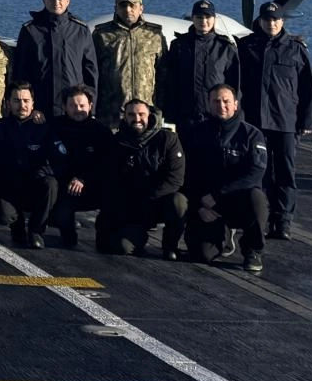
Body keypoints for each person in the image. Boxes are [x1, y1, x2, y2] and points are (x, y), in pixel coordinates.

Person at [238, 1, 312, 241]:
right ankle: (260, 217)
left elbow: (307, 88)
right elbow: (236, 84)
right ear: (260, 21)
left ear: (282, 21)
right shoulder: (246, 47)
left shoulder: (296, 49)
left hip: (285, 121)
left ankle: (283, 221)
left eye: (275, 20)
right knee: (257, 171)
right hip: (254, 123)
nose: (271, 24)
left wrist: (307, 121)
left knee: (285, 173)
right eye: (267, 20)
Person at [182, 84, 269, 274]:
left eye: (226, 101)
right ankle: (222, 235)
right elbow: (188, 174)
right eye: (216, 101)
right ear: (209, 104)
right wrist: (198, 206)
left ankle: (252, 250)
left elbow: (255, 173)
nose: (221, 105)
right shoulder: (196, 133)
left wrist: (218, 194)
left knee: (257, 198)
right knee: (202, 255)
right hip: (207, 203)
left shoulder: (252, 135)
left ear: (235, 104)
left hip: (236, 199)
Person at [95, 99, 186, 258]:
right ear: (124, 116)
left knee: (178, 201)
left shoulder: (168, 139)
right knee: (118, 247)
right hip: (131, 206)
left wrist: (148, 198)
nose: (137, 119)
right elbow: (109, 180)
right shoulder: (116, 142)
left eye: (141, 114)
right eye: (131, 115)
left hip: (158, 200)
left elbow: (175, 179)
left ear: (149, 115)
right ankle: (137, 238)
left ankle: (170, 246)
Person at [13, 0, 98, 117]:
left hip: (73, 109)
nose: (56, 2)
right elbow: (20, 73)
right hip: (40, 111)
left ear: (68, 1)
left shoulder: (80, 30)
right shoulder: (30, 30)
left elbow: (91, 72)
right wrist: (29, 109)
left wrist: (90, 110)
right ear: (44, 0)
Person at [0, 84, 60, 249]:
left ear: (33, 103)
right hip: (9, 187)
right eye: (16, 100)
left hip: (33, 184)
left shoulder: (44, 128)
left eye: (26, 100)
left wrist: (40, 173)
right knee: (3, 215)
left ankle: (36, 231)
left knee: (51, 184)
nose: (22, 105)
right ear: (8, 103)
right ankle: (17, 226)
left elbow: (57, 160)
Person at [159, 0, 240, 130]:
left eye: (208, 17)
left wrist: (235, 114)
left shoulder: (226, 48)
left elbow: (235, 84)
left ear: (214, 19)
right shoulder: (179, 45)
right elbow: (170, 80)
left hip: (216, 114)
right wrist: (170, 111)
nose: (203, 21)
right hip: (186, 115)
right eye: (199, 17)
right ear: (193, 18)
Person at [93, 0, 165, 128]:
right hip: (112, 112)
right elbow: (93, 71)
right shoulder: (102, 34)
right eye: (123, 5)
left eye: (132, 5)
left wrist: (160, 106)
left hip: (146, 112)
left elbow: (164, 72)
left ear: (141, 8)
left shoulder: (154, 34)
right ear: (116, 8)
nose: (128, 10)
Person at [45, 85, 106, 248]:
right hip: (64, 184)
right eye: (72, 105)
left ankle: (105, 235)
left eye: (82, 105)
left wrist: (83, 179)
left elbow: (105, 164)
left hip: (92, 183)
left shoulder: (101, 132)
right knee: (60, 209)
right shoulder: (54, 127)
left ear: (90, 106)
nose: (78, 109)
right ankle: (66, 234)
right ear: (64, 107)